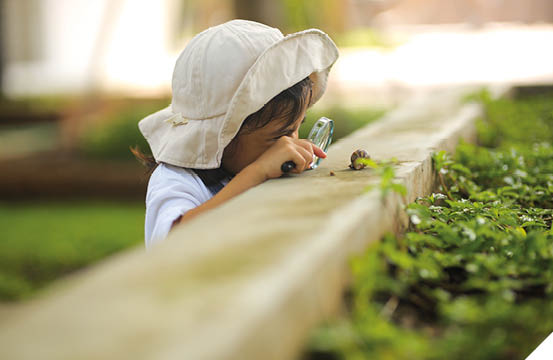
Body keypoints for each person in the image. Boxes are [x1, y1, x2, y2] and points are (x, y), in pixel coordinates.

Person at [132, 19, 339, 248]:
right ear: (222, 139)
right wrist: (256, 173)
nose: (288, 146)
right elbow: (174, 241)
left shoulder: (248, 166)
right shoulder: (175, 179)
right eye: (278, 136)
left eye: (295, 128)